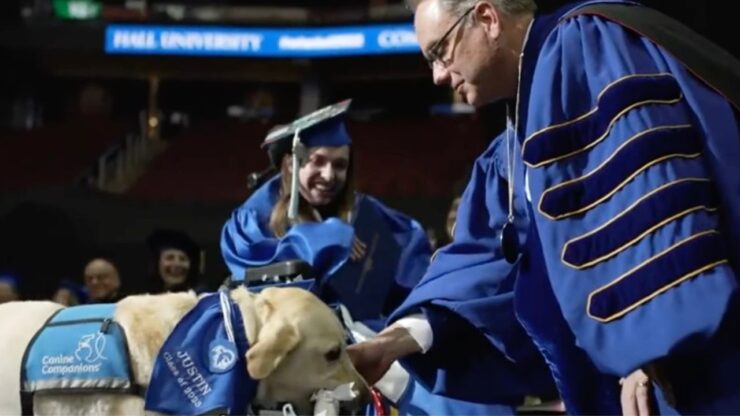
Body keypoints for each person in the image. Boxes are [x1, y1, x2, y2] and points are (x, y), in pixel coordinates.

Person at [348, 0, 740, 415]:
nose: (438, 75)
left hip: (695, 369)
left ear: (487, 18)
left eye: (439, 52)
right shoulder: (521, 136)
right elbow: (495, 259)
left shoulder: (586, 47)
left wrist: (649, 346)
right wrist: (395, 341)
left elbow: (650, 192)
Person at [221, 100, 515, 414]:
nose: (329, 174)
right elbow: (254, 279)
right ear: (291, 165)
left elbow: (406, 256)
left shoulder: (365, 212)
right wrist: (327, 239)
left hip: (369, 328)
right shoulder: (256, 216)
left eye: (339, 165)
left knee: (448, 371)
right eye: (317, 162)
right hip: (303, 345)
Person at [146, 228, 204, 294]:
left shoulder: (202, 300)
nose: (177, 264)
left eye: (183, 259)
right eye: (170, 258)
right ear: (157, 264)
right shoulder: (146, 299)